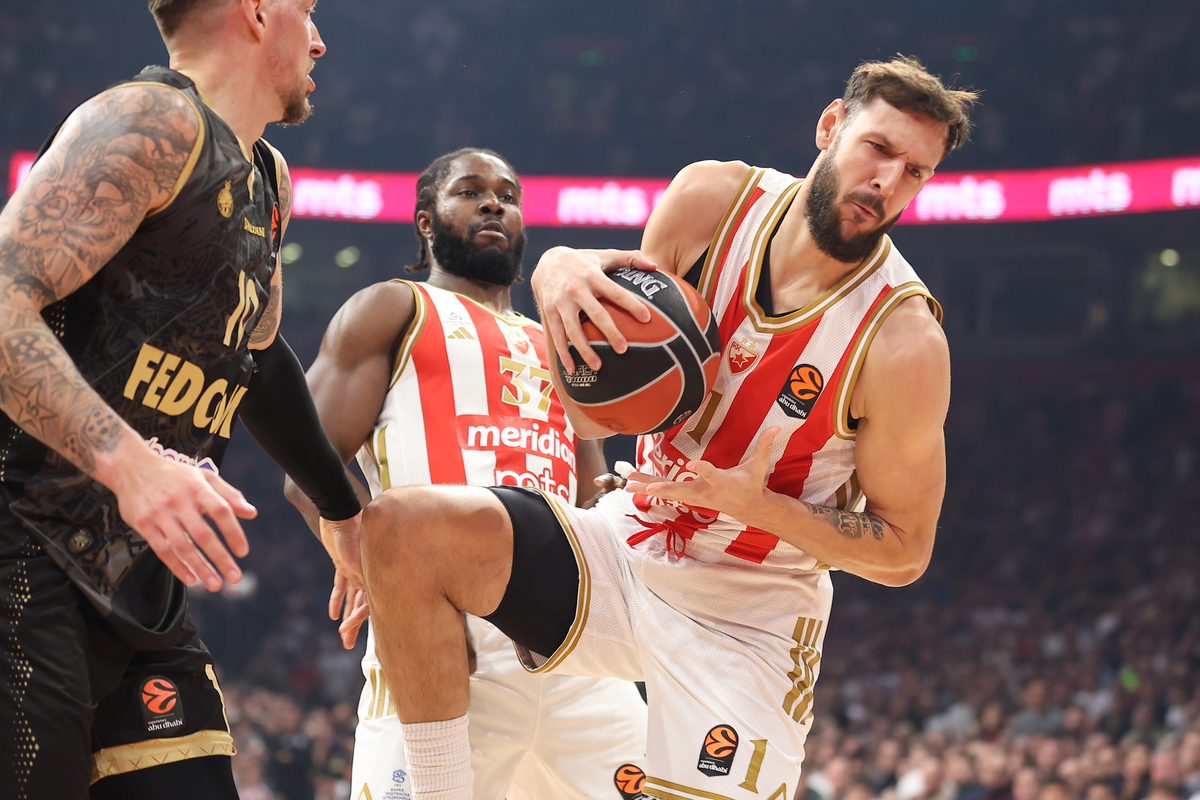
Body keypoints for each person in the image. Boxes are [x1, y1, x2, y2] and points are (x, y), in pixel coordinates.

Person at [356, 56, 977, 800]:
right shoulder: (712, 200)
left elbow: (905, 551)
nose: (888, 183)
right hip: (628, 544)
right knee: (401, 529)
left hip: (751, 611)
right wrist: (556, 269)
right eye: (879, 149)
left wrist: (757, 506)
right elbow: (602, 398)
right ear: (831, 126)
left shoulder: (904, 339)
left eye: (916, 172)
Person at [0, 0, 363, 797]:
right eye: (308, 11)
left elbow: (257, 363)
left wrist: (347, 513)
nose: (322, 38)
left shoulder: (266, 177)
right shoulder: (148, 121)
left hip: (139, 587)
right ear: (259, 12)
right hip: (25, 554)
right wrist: (131, 466)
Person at [285, 148, 649, 800]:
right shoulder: (393, 308)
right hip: (445, 639)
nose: (493, 204)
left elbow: (593, 503)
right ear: (426, 221)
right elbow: (305, 464)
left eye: (508, 195)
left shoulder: (560, 341)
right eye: (471, 191)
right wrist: (365, 562)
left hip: (575, 647)